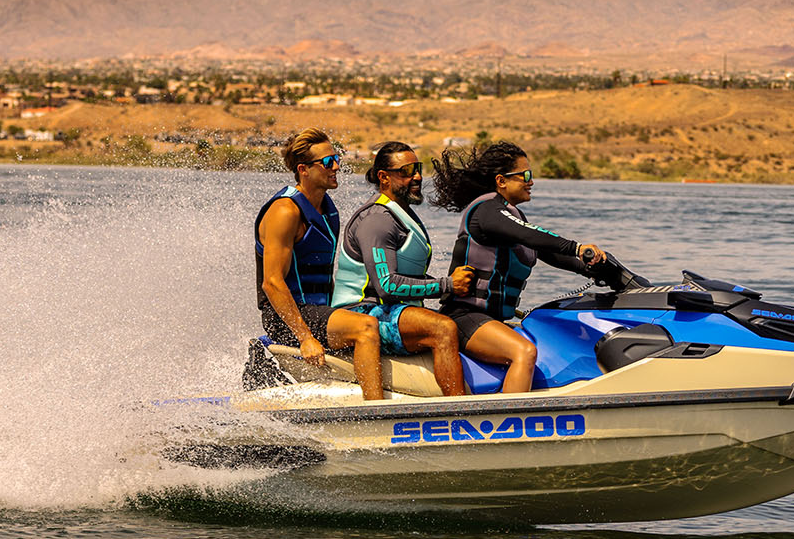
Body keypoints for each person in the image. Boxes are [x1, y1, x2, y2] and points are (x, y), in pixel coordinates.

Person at [430, 141, 609, 394]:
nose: (531, 181)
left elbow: (548, 252)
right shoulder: (486, 211)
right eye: (525, 175)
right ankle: (508, 425)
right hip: (464, 316)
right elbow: (533, 236)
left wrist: (596, 268)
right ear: (501, 181)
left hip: (492, 319)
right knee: (523, 351)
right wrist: (577, 246)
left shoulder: (510, 216)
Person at [331, 142, 477, 397]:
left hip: (390, 309)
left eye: (417, 168)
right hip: (362, 311)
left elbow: (410, 277)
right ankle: (460, 414)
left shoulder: (400, 213)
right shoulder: (377, 219)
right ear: (384, 177)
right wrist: (447, 285)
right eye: (407, 171)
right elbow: (386, 286)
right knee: (443, 328)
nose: (417, 176)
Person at [254, 128, 389, 400]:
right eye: (328, 162)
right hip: (287, 318)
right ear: (303, 169)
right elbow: (272, 282)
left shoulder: (326, 209)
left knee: (382, 316)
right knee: (366, 328)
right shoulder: (285, 211)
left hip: (319, 311)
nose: (336, 166)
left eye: (336, 158)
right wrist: (305, 337)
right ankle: (375, 410)